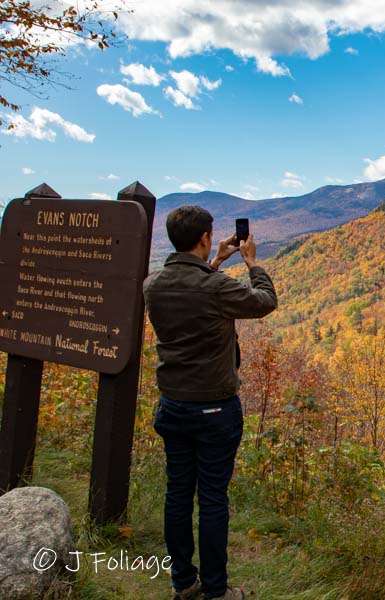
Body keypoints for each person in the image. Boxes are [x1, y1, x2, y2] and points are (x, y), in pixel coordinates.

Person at [143, 205, 277, 600]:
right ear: (204, 237)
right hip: (215, 408)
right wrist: (251, 262)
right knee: (213, 498)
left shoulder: (154, 284)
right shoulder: (217, 289)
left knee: (178, 494)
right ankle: (217, 592)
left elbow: (194, 288)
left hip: (173, 405)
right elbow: (264, 302)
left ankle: (183, 584)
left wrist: (216, 260)